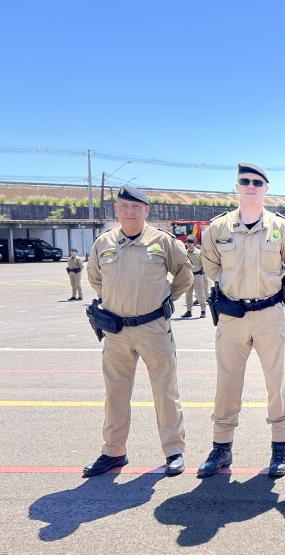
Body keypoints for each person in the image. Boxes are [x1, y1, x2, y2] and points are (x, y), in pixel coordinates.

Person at [197, 162, 285, 479]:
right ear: (237, 186)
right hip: (231, 316)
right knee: (227, 384)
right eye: (244, 181)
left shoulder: (284, 229)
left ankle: (279, 449)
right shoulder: (218, 229)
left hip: (270, 314)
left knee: (278, 383)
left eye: (256, 182)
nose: (250, 186)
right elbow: (212, 268)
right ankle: (221, 448)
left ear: (265, 189)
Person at [83, 185, 192, 477]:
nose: (129, 212)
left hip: (153, 328)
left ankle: (173, 451)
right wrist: (118, 300)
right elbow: (95, 279)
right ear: (116, 210)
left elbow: (184, 276)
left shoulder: (162, 241)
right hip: (116, 331)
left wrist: (163, 301)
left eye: (135, 207)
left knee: (165, 390)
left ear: (146, 210)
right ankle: (113, 451)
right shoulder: (103, 243)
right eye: (124, 207)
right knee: (115, 393)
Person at [180, 236, 208, 319]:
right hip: (188, 277)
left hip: (197, 275)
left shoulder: (199, 253)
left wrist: (203, 278)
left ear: (194, 243)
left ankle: (203, 311)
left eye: (190, 242)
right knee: (188, 295)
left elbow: (204, 265)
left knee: (200, 294)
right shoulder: (184, 253)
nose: (188, 244)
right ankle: (189, 311)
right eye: (187, 242)